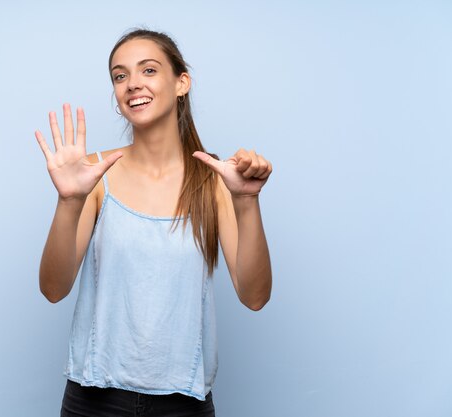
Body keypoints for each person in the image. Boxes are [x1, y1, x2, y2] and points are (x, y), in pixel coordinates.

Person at [35, 29, 273, 417]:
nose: (132, 84)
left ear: (181, 83)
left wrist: (246, 201)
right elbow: (53, 289)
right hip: (93, 401)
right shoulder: (93, 175)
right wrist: (69, 201)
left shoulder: (214, 180)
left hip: (183, 404)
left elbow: (255, 296)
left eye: (148, 70)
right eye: (120, 75)